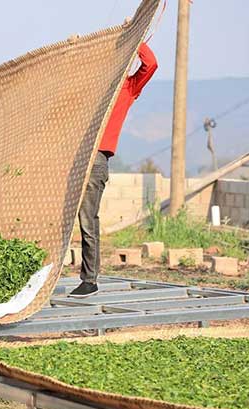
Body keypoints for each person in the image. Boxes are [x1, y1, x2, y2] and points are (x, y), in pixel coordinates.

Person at [70, 42, 158, 298]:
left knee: (87, 220)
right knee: (68, 220)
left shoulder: (128, 88)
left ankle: (90, 280)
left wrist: (136, 39)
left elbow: (150, 64)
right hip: (76, 158)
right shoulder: (94, 91)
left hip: (96, 158)